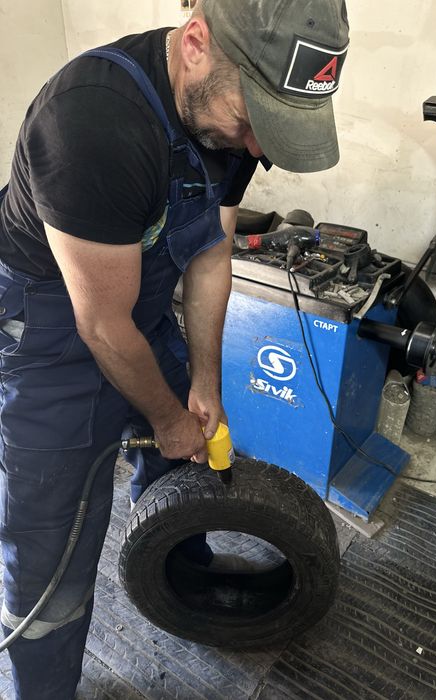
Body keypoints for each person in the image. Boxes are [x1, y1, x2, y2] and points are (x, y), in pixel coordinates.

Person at [0, 0, 349, 697]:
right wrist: (164, 416)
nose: (257, 147)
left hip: (136, 303)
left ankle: (181, 583)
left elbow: (211, 255)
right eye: (251, 120)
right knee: (51, 543)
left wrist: (204, 383)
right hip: (49, 327)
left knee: (186, 447)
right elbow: (102, 326)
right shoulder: (91, 122)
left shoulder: (224, 115)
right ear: (195, 43)